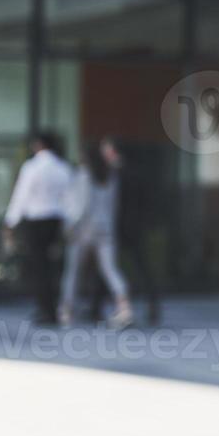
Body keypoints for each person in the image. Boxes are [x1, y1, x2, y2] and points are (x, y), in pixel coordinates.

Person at [84, 137, 160, 326]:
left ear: (112, 152)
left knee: (107, 267)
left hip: (116, 226)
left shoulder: (111, 173)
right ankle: (151, 307)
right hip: (133, 226)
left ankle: (99, 307)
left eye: (105, 149)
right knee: (135, 268)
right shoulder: (136, 171)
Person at [58, 138, 133, 329]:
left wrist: (70, 227)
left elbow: (82, 207)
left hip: (84, 229)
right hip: (105, 228)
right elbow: (114, 206)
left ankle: (67, 309)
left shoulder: (84, 175)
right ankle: (124, 307)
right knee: (110, 270)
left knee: (73, 271)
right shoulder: (109, 175)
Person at [3, 130, 74, 326]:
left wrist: (10, 221)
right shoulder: (63, 168)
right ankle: (52, 309)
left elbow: (21, 196)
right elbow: (69, 199)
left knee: (39, 267)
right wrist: (69, 224)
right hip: (55, 220)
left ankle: (46, 309)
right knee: (52, 266)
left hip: (36, 221)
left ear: (38, 145)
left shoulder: (32, 167)